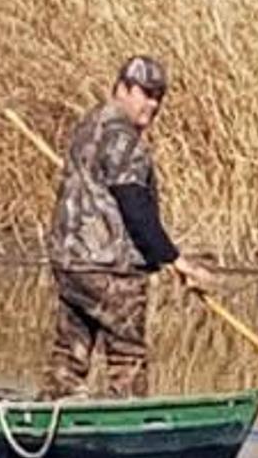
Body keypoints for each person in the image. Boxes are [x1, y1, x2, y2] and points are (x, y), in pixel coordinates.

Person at [41, 55, 220, 400]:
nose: (152, 104)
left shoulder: (89, 124)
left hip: (69, 262)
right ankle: (129, 426)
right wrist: (174, 259)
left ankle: (52, 419)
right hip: (109, 268)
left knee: (70, 354)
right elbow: (135, 206)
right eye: (145, 93)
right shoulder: (125, 141)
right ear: (122, 88)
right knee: (128, 356)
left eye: (159, 97)